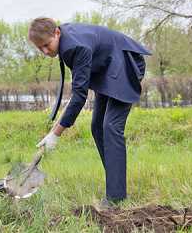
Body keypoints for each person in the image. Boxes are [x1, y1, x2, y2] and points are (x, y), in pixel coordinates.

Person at [28, 17, 151, 207]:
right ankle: (115, 184)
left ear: (57, 33)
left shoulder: (74, 47)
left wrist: (56, 135)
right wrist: (52, 131)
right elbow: (76, 90)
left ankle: (116, 197)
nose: (45, 51)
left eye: (47, 44)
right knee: (97, 127)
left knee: (111, 127)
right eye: (40, 48)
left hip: (125, 64)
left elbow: (79, 96)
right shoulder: (64, 40)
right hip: (107, 69)